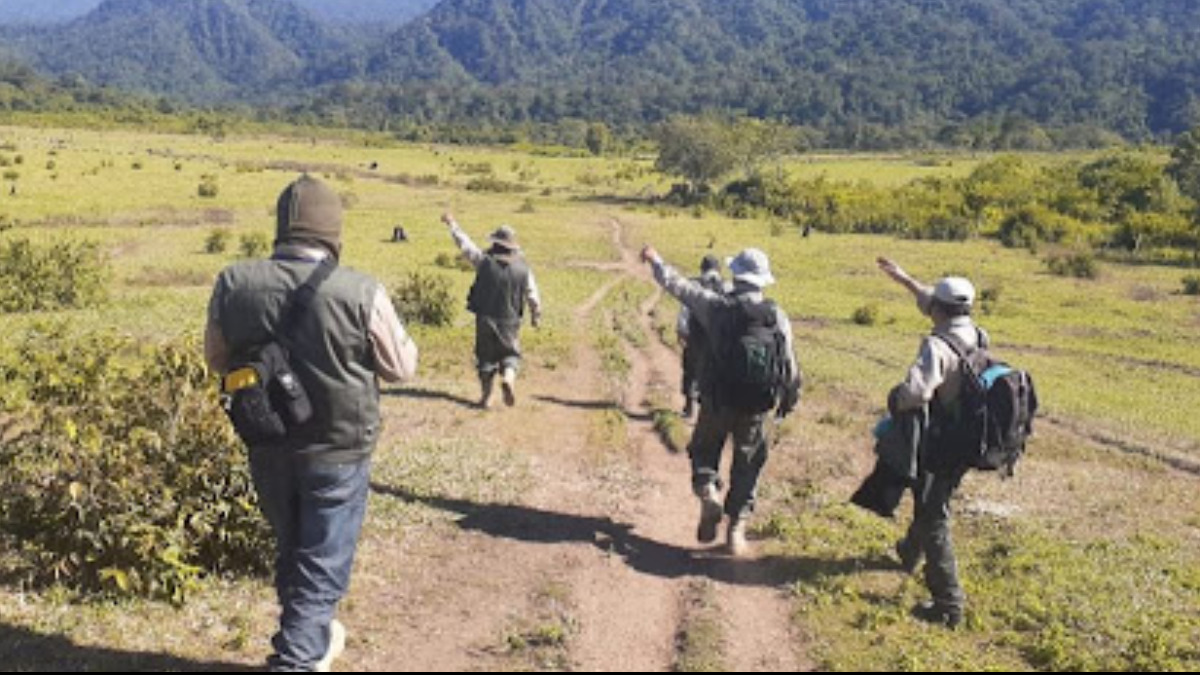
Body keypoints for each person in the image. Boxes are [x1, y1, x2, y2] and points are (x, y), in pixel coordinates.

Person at [205, 175, 418, 671]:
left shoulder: (233, 282)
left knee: (293, 551)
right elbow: (402, 368)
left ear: (282, 227)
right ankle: (296, 660)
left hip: (267, 442)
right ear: (333, 231)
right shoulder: (361, 291)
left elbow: (217, 359)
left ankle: (313, 640)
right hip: (339, 449)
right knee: (321, 569)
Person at [641, 245, 801, 556]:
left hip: (717, 399)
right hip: (758, 405)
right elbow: (790, 366)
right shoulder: (776, 316)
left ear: (736, 275)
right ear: (763, 281)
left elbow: (678, 285)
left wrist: (656, 260)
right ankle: (736, 530)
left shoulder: (715, 307)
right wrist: (789, 400)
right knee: (748, 465)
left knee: (703, 450)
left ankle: (708, 491)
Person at [877, 256, 987, 629]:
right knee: (931, 497)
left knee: (934, 514)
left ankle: (949, 604)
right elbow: (930, 299)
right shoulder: (975, 333)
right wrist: (904, 278)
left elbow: (915, 393)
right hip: (968, 440)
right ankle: (909, 552)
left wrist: (893, 398)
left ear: (938, 309)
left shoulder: (937, 346)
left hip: (941, 442)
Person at [442, 212, 542, 409]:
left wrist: (452, 224)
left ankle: (486, 398)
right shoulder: (523, 268)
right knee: (511, 355)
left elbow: (466, 246)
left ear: (496, 244)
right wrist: (536, 316)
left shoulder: (484, 261)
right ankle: (509, 378)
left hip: (485, 318)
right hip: (511, 320)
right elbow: (532, 294)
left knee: (485, 359)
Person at [676, 255, 726, 419]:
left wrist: (682, 330)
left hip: (696, 335)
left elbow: (685, 309)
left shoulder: (694, 284)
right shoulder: (726, 286)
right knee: (713, 371)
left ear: (702, 268)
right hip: (717, 337)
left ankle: (689, 407)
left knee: (691, 369)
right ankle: (708, 409)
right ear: (718, 270)